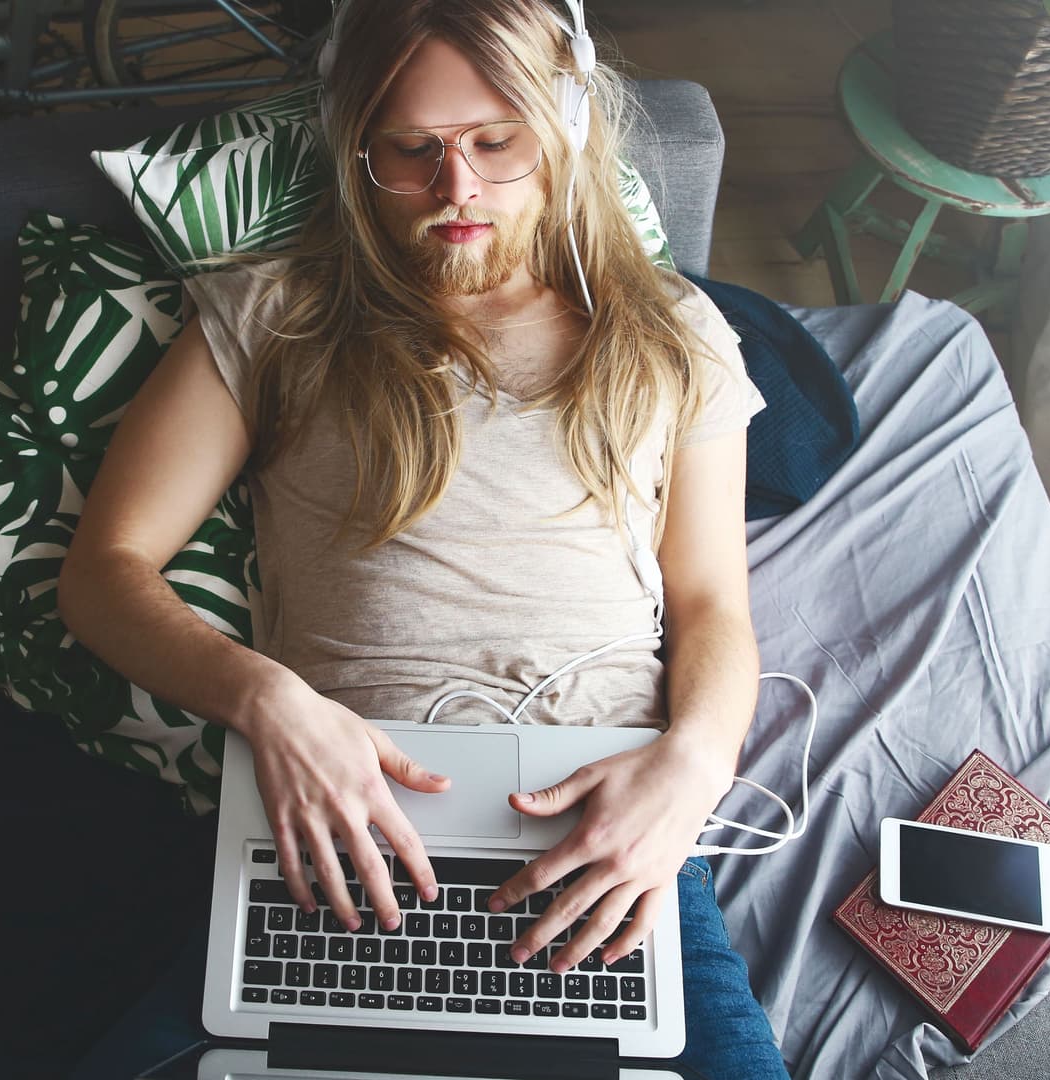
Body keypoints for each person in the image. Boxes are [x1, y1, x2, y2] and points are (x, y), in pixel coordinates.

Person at [55, 1, 789, 1076]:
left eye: (498, 142)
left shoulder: (671, 332)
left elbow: (715, 605)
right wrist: (266, 700)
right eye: (412, 149)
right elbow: (104, 573)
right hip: (348, 829)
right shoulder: (274, 315)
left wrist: (695, 764)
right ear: (357, 147)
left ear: (569, 123)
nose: (459, 189)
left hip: (604, 834)